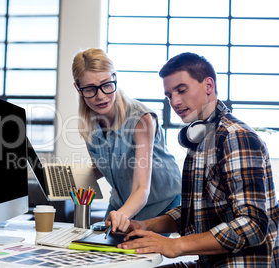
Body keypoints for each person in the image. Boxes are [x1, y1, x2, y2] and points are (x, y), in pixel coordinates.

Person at [117, 52, 279, 267]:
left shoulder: (235, 137)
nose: (174, 101)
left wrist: (176, 245)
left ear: (208, 86)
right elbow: (194, 209)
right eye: (169, 95)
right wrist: (145, 225)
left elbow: (253, 226)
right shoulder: (202, 137)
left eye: (182, 90)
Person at [71, 48, 182, 233]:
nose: (100, 96)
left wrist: (120, 215)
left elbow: (141, 188)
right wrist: (67, 179)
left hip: (160, 203)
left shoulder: (141, 119)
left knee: (136, 257)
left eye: (106, 84)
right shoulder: (89, 123)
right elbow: (101, 167)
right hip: (121, 202)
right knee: (97, 252)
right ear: (78, 88)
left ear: (114, 77)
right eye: (90, 89)